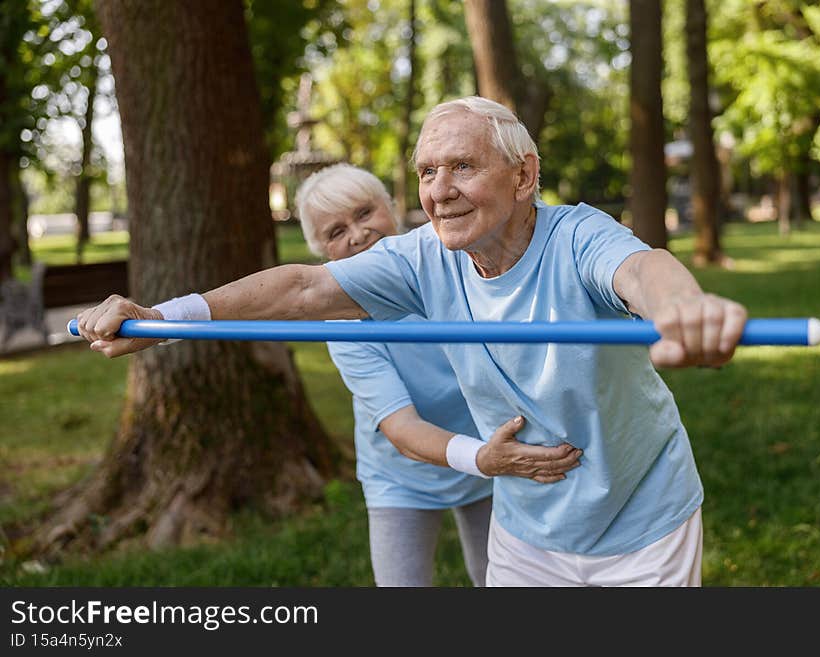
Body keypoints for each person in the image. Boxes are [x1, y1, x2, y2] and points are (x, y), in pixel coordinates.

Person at [78, 96, 748, 586]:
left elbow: (640, 267)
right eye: (428, 171)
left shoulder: (575, 235)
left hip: (639, 517)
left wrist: (683, 307)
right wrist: (162, 318)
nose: (440, 190)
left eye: (462, 166)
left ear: (523, 176)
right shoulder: (421, 258)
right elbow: (304, 290)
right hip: (526, 526)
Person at [291, 163, 581, 586]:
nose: (356, 234)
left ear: (392, 207)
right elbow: (402, 429)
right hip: (402, 475)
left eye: (364, 213)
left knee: (503, 580)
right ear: (322, 252)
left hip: (491, 450)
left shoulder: (455, 264)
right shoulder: (344, 326)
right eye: (335, 232)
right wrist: (481, 458)